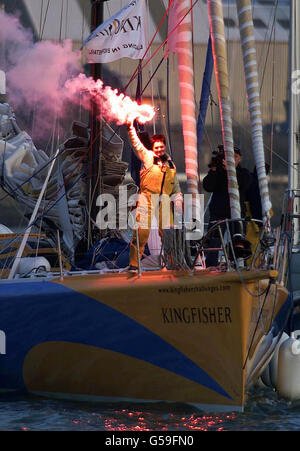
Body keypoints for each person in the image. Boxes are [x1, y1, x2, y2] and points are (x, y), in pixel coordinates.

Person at [126, 115, 183, 271]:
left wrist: (178, 198)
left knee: (169, 234)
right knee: (142, 233)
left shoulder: (171, 163)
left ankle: (172, 263)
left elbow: (175, 185)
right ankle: (134, 264)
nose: (159, 149)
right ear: (153, 148)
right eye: (156, 147)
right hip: (147, 199)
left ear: (164, 146)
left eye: (161, 146)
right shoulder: (148, 157)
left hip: (164, 200)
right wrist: (130, 127)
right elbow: (136, 144)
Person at [202, 145, 252, 267]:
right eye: (229, 156)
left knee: (239, 242)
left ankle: (239, 265)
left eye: (235, 156)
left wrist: (231, 170)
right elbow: (208, 186)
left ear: (240, 159)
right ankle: (211, 267)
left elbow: (245, 184)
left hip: (236, 213)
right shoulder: (218, 172)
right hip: (218, 212)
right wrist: (214, 169)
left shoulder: (244, 173)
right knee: (214, 242)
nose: (232, 159)